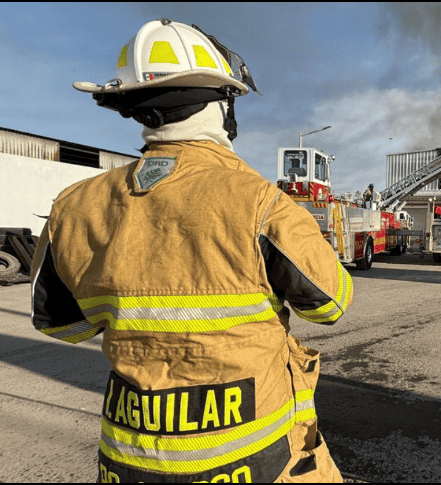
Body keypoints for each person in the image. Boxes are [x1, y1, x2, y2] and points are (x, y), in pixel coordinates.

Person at [30, 19, 352, 483]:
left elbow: (59, 325)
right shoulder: (260, 202)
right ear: (223, 106)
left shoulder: (74, 207)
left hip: (128, 463)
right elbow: (329, 304)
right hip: (253, 463)